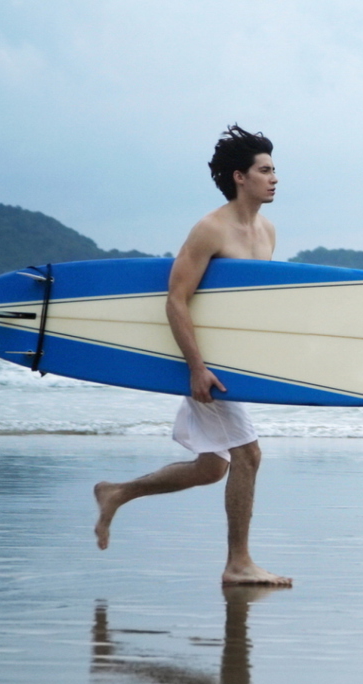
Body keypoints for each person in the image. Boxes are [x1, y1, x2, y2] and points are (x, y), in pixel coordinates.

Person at [93, 125, 292, 587]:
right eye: (265, 170)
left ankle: (116, 492)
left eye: (275, 170)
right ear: (240, 177)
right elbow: (176, 299)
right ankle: (238, 563)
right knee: (249, 455)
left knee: (211, 467)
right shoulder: (210, 229)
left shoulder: (267, 233)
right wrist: (196, 368)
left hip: (232, 364)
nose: (274, 178)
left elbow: (247, 308)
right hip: (207, 366)